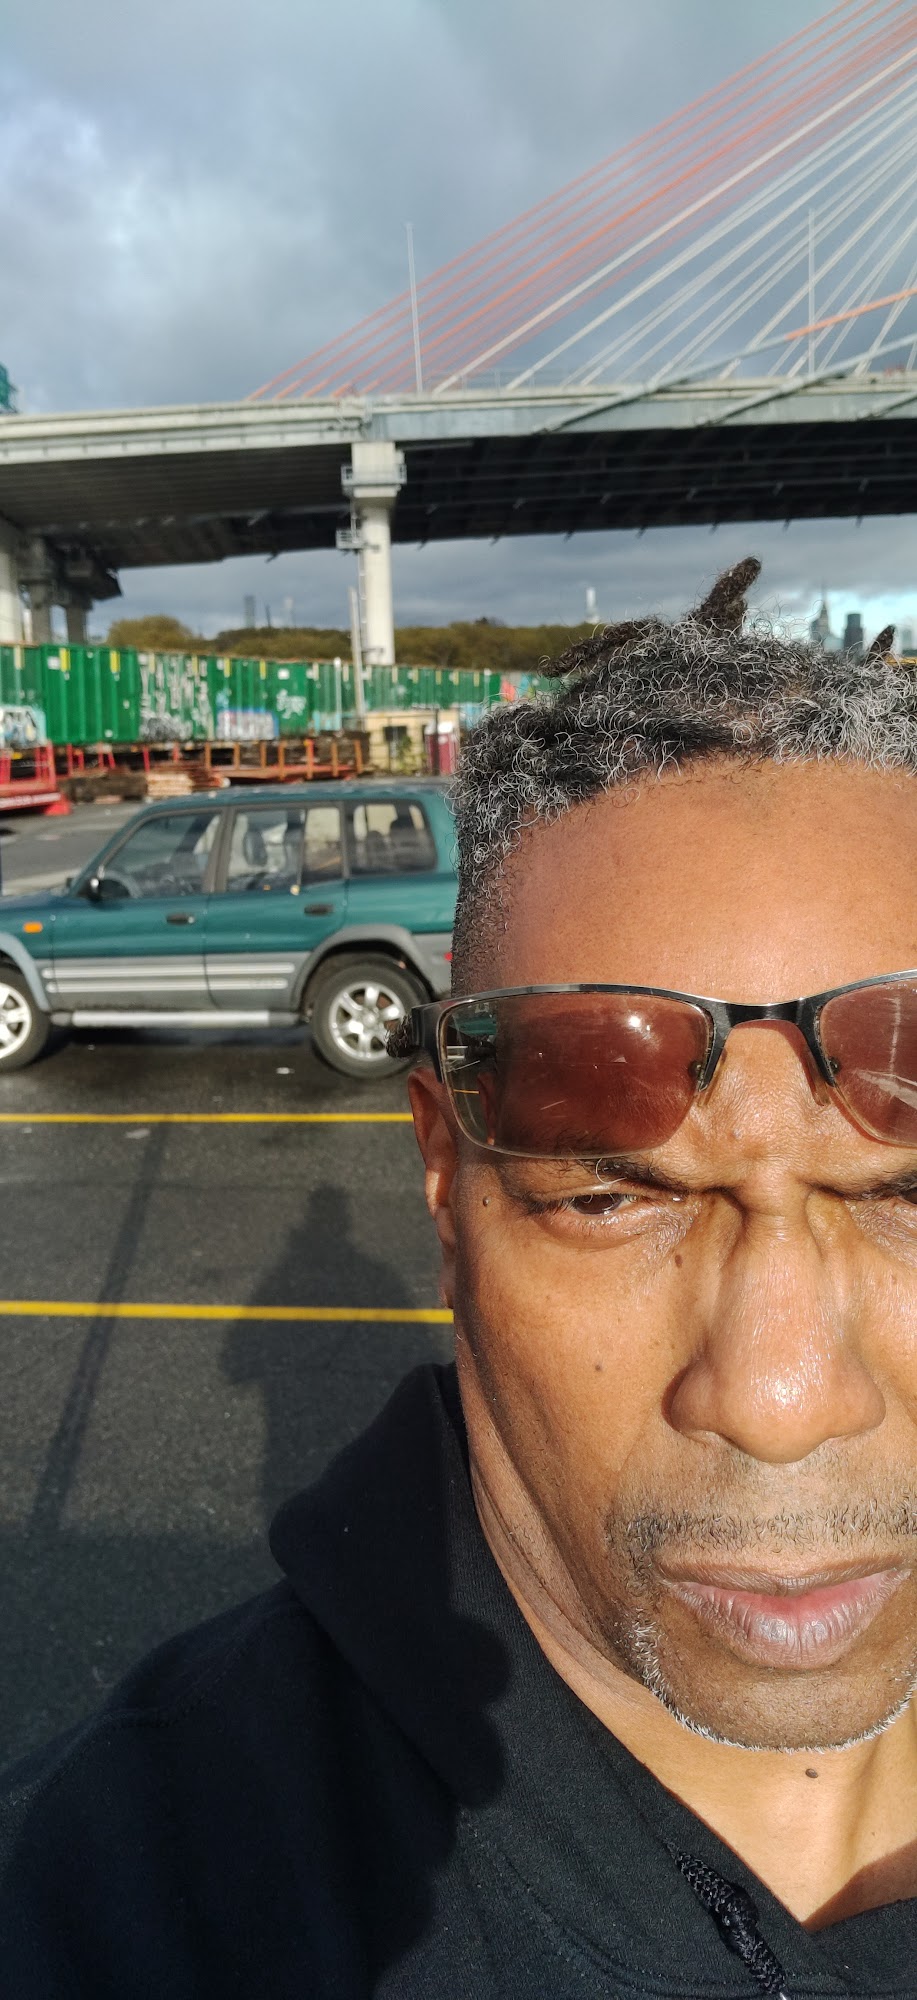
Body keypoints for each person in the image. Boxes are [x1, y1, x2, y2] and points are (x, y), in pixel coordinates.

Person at [5, 560, 917, 1998]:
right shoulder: (116, 1898)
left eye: (906, 1195)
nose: (777, 1400)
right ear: (445, 1181)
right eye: (608, 1198)